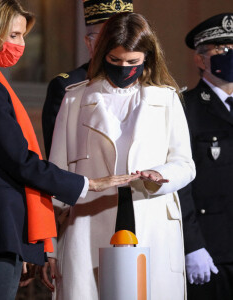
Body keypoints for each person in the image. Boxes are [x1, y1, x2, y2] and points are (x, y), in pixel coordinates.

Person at [0, 1, 139, 299]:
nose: (21, 45)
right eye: (13, 36)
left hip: (0, 231)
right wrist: (89, 183)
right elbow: (19, 162)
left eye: (23, 36)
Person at [41, 12, 196, 300]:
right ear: (102, 55)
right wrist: (49, 245)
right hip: (89, 219)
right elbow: (56, 175)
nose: (124, 68)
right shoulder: (74, 98)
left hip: (150, 214)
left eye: (133, 62)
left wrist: (161, 175)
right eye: (115, 61)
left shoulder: (166, 98)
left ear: (147, 58)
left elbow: (185, 164)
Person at [178, 13, 233, 300]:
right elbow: (180, 184)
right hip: (212, 252)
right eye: (223, 50)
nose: (231, 56)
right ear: (201, 60)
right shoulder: (184, 108)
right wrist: (192, 245)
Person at [42, 0, 133, 159]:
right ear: (89, 43)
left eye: (124, 35)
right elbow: (58, 158)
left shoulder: (149, 84)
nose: (117, 42)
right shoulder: (68, 86)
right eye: (106, 36)